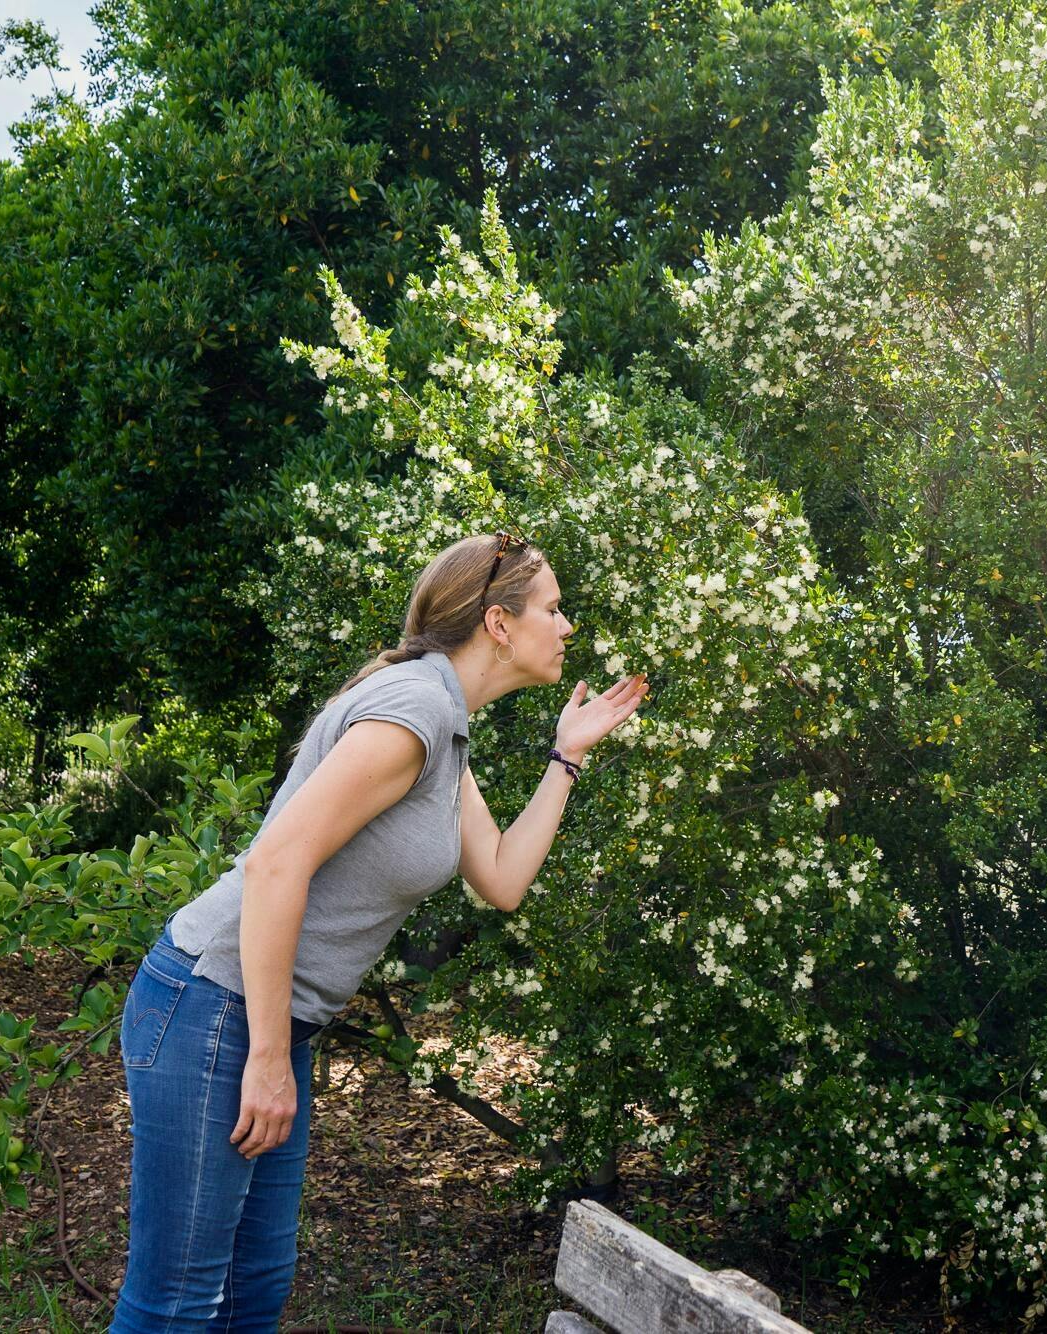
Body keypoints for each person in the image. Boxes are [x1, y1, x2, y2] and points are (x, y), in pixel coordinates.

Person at [108, 530, 648, 1332]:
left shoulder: (445, 721)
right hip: (213, 1008)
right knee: (178, 1304)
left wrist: (564, 758)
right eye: (554, 608)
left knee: (253, 1290)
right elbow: (274, 865)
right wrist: (264, 1056)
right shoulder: (417, 708)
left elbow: (499, 878)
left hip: (263, 1021)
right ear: (498, 624)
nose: (568, 626)